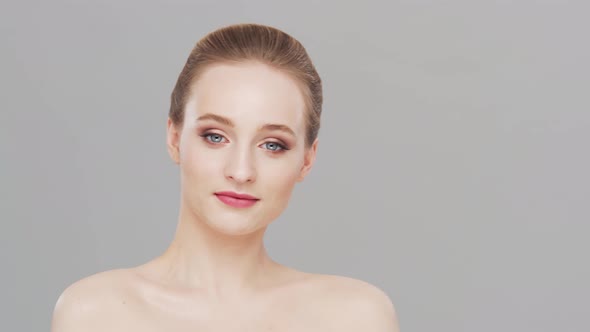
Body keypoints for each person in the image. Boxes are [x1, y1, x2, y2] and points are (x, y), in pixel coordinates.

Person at [51, 23, 400, 331]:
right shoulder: (95, 314)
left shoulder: (356, 318)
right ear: (174, 139)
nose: (241, 171)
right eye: (215, 136)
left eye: (273, 145)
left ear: (307, 160)